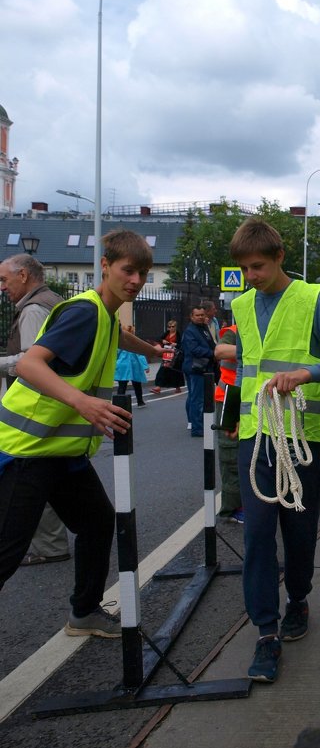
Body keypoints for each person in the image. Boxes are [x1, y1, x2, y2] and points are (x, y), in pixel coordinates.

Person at [0, 229, 163, 637]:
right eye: (128, 271)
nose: (136, 281)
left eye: (143, 273)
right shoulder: (84, 311)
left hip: (61, 452)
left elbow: (119, 335)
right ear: (105, 266)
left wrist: (153, 351)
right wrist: (84, 403)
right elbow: (28, 365)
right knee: (7, 552)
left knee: (96, 522)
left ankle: (84, 613)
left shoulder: (104, 315)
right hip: (28, 451)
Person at [227, 218, 320, 683]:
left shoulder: (311, 299)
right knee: (257, 533)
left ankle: (298, 598)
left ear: (280, 256)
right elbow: (248, 367)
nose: (251, 277)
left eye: (258, 266)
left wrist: (304, 375)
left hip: (301, 437)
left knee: (299, 530)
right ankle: (266, 633)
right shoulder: (241, 305)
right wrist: (232, 421)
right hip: (254, 435)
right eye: (244, 269)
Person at [0, 254, 68, 567]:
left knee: (27, 474)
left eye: (4, 280)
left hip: (33, 407)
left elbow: (30, 363)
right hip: (50, 404)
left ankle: (49, 544)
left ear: (24, 275)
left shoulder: (33, 309)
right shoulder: (54, 301)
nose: (2, 287)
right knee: (46, 472)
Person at [214, 322, 242, 523]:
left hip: (252, 396)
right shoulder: (234, 331)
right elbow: (220, 351)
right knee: (230, 453)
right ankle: (232, 508)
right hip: (229, 397)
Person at [181, 305, 216, 437]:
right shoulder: (190, 331)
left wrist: (216, 350)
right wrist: (213, 353)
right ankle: (197, 428)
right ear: (191, 316)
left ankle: (197, 423)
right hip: (195, 368)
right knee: (197, 398)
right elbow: (194, 349)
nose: (200, 317)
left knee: (195, 397)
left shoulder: (203, 328)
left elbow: (210, 343)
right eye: (197, 315)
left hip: (203, 367)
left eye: (202, 315)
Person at [114, 325, 150, 406]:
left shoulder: (121, 343)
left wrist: (113, 364)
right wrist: (145, 366)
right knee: (137, 385)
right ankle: (140, 401)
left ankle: (119, 403)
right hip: (135, 366)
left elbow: (116, 354)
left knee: (122, 385)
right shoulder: (135, 343)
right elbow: (141, 355)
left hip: (123, 366)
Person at [151, 319, 183, 394]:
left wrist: (176, 344)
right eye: (169, 327)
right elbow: (159, 339)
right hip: (166, 354)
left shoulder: (178, 334)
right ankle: (158, 387)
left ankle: (177, 387)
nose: (171, 328)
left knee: (174, 370)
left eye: (172, 327)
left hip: (175, 355)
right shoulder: (166, 333)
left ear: (175, 327)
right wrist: (163, 341)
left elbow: (182, 344)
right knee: (163, 368)